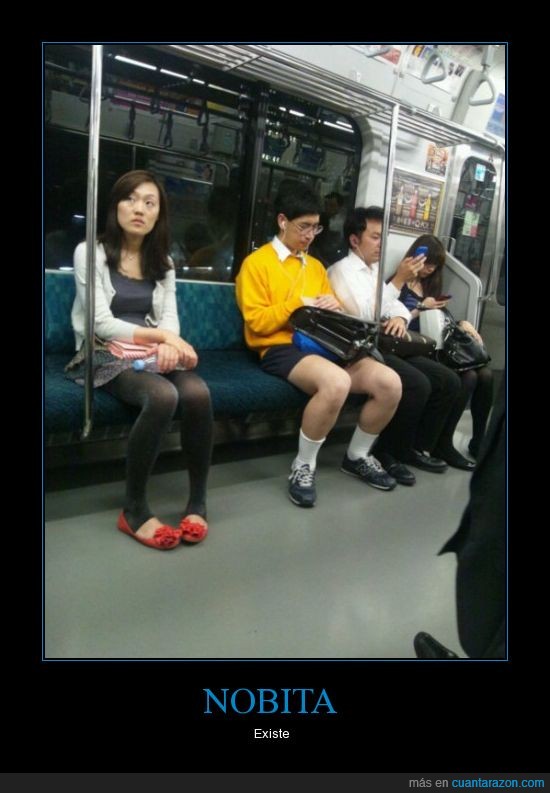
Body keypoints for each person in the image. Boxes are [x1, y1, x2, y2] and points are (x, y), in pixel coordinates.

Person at [68, 170, 213, 550]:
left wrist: (168, 342)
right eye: (130, 199)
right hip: (101, 348)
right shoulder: (90, 252)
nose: (139, 209)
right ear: (115, 205)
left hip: (148, 348)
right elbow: (100, 322)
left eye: (150, 203)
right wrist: (164, 339)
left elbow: (170, 319)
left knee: (198, 393)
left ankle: (197, 502)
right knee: (163, 396)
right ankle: (133, 510)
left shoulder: (163, 262)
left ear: (158, 214)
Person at [236, 183, 403, 508]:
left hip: (321, 343)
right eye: (304, 227)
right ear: (282, 221)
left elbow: (328, 313)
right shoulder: (256, 264)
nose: (310, 235)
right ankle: (304, 464)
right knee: (337, 382)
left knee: (389, 382)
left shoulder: (314, 267)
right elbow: (257, 323)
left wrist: (333, 307)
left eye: (316, 227)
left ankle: (356, 456)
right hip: (278, 346)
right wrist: (299, 304)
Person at [328, 207, 469, 479]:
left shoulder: (373, 272)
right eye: (375, 237)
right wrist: (399, 281)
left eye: (384, 238)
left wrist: (401, 319)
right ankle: (388, 451)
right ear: (354, 240)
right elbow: (364, 316)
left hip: (387, 343)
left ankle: (417, 446)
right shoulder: (340, 271)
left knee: (449, 380)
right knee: (418, 383)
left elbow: (397, 308)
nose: (381, 244)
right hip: (362, 349)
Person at [394, 234, 493, 461]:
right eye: (427, 263)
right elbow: (394, 321)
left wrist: (462, 323)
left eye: (435, 266)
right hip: (413, 346)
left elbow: (438, 320)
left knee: (486, 375)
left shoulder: (430, 284)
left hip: (436, 345)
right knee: (468, 377)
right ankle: (442, 443)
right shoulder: (398, 283)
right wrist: (421, 307)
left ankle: (479, 441)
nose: (430, 269)